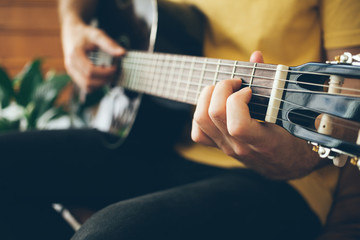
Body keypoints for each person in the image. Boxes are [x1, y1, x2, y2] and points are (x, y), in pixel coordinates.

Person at [0, 0, 358, 239]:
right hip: (150, 135)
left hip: (280, 179)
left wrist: (290, 157)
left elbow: (346, 109)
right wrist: (72, 24)